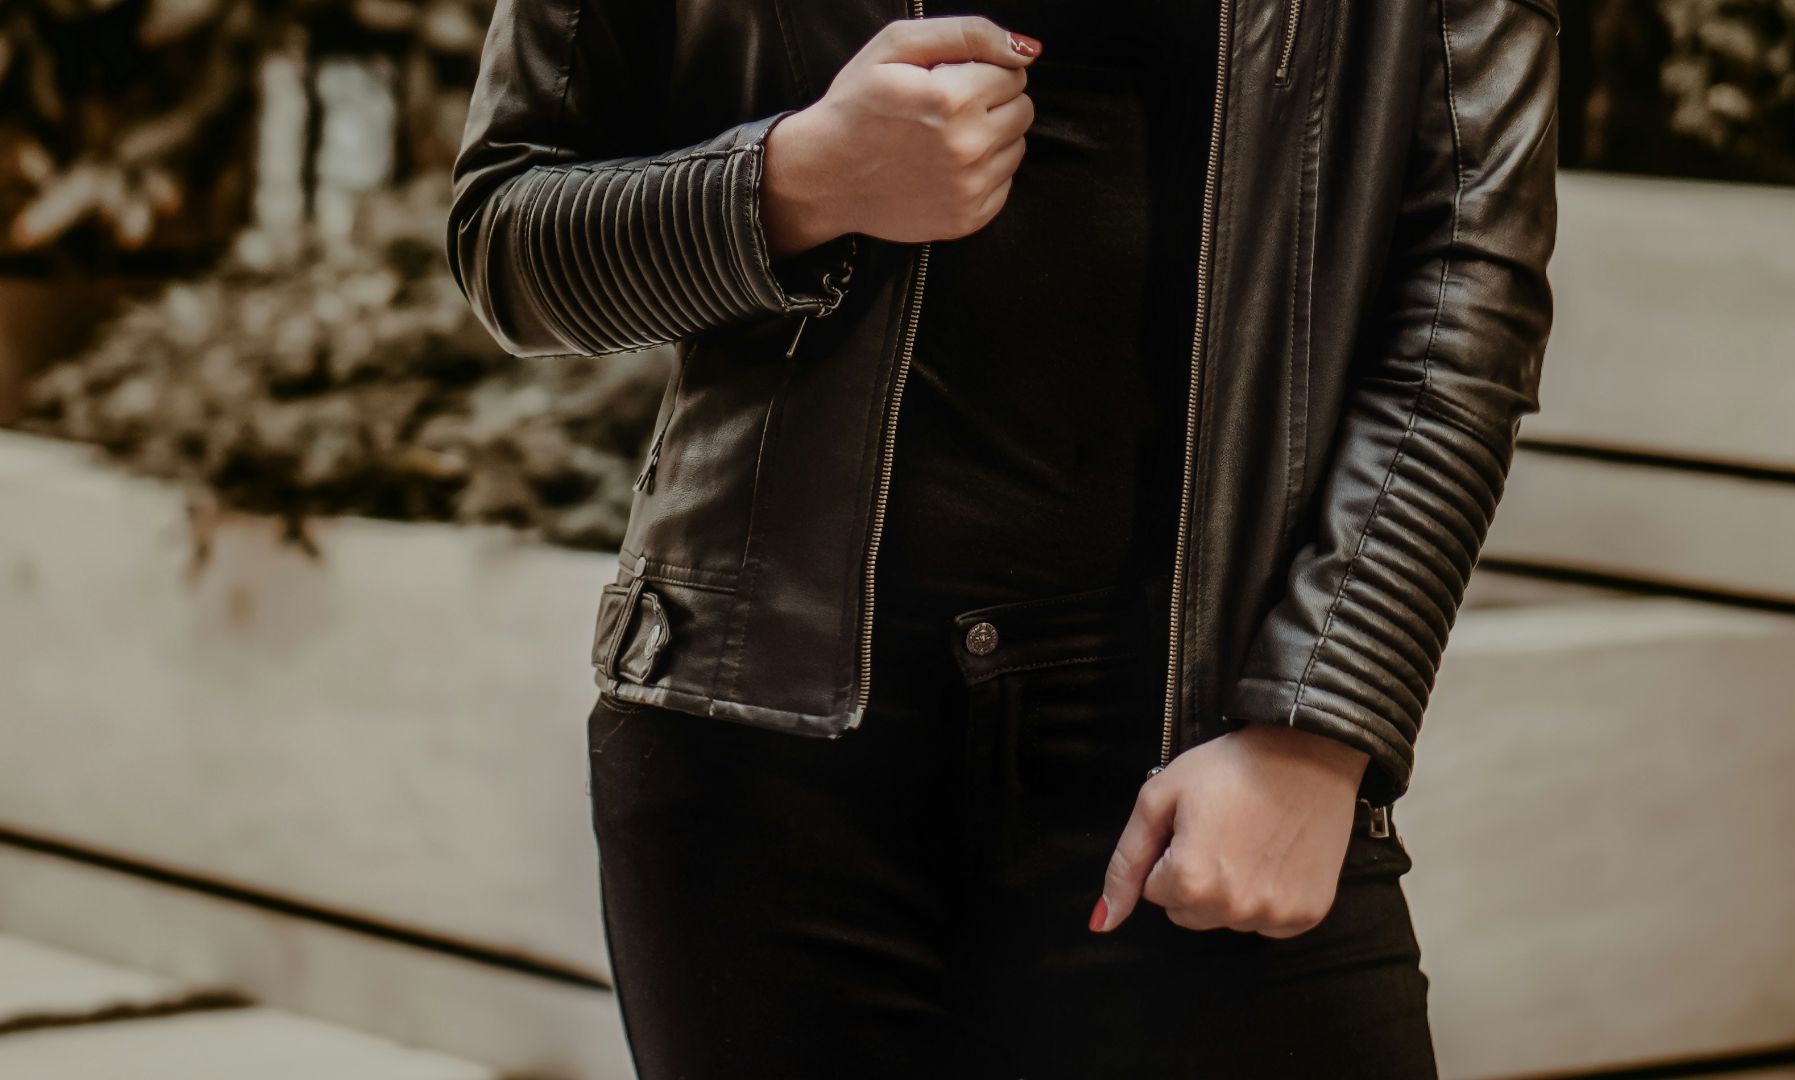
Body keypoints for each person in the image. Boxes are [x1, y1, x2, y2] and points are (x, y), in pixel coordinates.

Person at [447, 0, 1558, 1075]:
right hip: (765, 757)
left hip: (1206, 755)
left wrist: (1319, 726)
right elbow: (507, 234)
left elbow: (1469, 292)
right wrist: (795, 180)